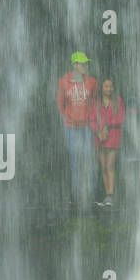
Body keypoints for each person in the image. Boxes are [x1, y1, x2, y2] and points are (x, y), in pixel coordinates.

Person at [57, 51, 98, 207]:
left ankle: (92, 196)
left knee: (90, 161)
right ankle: (75, 197)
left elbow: (94, 102)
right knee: (75, 162)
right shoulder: (64, 81)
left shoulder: (92, 82)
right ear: (74, 65)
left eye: (86, 63)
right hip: (71, 129)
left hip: (87, 128)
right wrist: (67, 118)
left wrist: (92, 121)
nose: (85, 66)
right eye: (82, 63)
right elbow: (60, 103)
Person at [91, 78, 124, 207]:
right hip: (100, 138)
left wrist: (107, 126)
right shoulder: (95, 103)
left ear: (113, 88)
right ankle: (107, 194)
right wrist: (98, 132)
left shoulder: (118, 101)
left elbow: (121, 117)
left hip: (113, 136)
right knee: (103, 166)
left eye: (110, 86)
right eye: (106, 86)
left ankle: (110, 195)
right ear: (102, 88)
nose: (108, 89)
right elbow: (92, 119)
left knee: (110, 165)